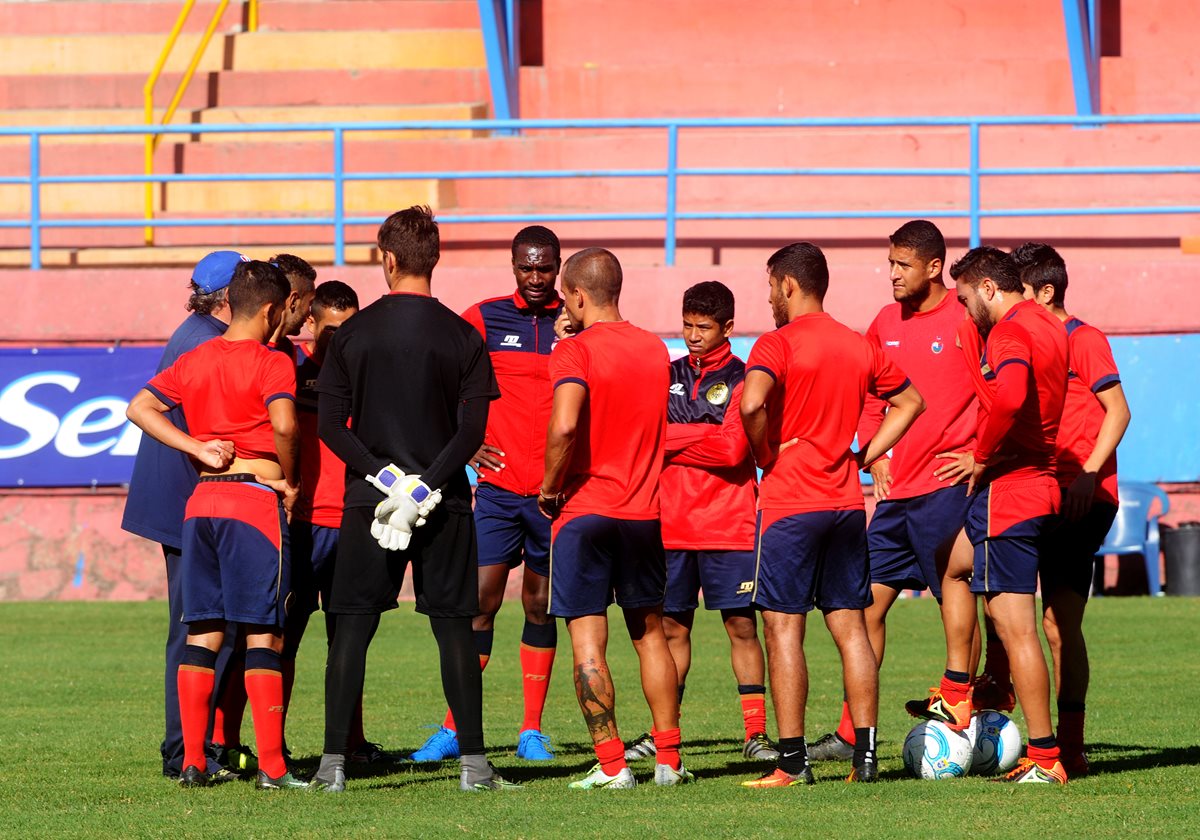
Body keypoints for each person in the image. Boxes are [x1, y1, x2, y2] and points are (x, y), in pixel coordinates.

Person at [310, 206, 516, 793]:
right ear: (435, 259)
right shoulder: (463, 335)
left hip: (368, 504)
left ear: (389, 259)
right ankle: (475, 766)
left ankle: (332, 766)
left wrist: (387, 480)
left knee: (352, 629)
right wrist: (424, 485)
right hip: (444, 502)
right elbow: (471, 433)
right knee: (454, 629)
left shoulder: (353, 333)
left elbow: (331, 426)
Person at [739, 242, 925, 786]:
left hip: (790, 503)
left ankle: (792, 762)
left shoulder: (776, 343)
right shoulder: (857, 343)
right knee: (851, 629)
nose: (769, 298)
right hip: (843, 504)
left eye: (771, 286)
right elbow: (911, 402)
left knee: (783, 628)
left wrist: (765, 454)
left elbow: (751, 403)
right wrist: (863, 456)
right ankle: (865, 758)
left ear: (788, 285)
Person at [125, 260, 306, 790]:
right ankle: (273, 768)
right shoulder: (272, 361)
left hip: (202, 503)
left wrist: (197, 447)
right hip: (253, 503)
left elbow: (139, 408)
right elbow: (285, 424)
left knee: (202, 632)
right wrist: (290, 481)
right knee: (265, 635)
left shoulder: (196, 357)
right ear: (271, 310)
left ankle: (192, 762)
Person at [808, 221, 978, 763]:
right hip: (896, 493)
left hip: (947, 486)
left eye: (903, 265)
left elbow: (996, 390)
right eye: (890, 263)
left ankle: (961, 701)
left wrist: (980, 454)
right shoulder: (884, 322)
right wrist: (875, 452)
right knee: (864, 609)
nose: (893, 274)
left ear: (934, 267)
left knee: (956, 592)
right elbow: (869, 397)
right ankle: (853, 733)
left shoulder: (965, 317)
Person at [411, 226, 563, 763]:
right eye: (526, 267)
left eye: (545, 268)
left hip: (552, 497)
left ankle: (531, 731)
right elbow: (438, 382)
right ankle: (454, 728)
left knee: (540, 606)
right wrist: (465, 443)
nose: (536, 277)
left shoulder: (576, 324)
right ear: (513, 265)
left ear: (559, 267)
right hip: (496, 492)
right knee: (478, 606)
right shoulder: (483, 318)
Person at [539, 247, 686, 790]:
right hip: (643, 512)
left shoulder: (573, 352)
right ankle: (669, 760)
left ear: (577, 295)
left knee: (588, 641)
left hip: (584, 510)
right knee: (650, 635)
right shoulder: (655, 349)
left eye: (566, 296)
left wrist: (549, 487)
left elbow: (565, 425)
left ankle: (612, 765)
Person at [623, 280, 778, 765]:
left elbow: (733, 451)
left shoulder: (743, 377)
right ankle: (663, 732)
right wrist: (700, 434)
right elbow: (644, 436)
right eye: (687, 325)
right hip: (669, 523)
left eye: (704, 327)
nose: (693, 335)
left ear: (727, 327)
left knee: (742, 627)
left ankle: (755, 733)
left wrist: (672, 437)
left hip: (729, 523)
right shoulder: (664, 375)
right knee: (671, 630)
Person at [932, 245, 1070, 784]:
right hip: (1036, 483)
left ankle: (1045, 757)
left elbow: (1010, 397)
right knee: (952, 563)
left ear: (989, 289)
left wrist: (981, 455)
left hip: (1011, 493)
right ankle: (956, 692)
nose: (966, 311)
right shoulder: (1050, 325)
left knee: (1016, 631)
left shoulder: (1010, 331)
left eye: (967, 299)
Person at [121, 250, 246, 783]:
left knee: (210, 624)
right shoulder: (203, 342)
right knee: (198, 626)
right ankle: (183, 750)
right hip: (185, 502)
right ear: (229, 296)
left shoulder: (199, 332)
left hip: (182, 500)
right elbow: (150, 411)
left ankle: (197, 744)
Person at [1013, 243, 1129, 775]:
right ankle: (984, 706)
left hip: (1080, 496)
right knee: (997, 606)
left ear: (1045, 292)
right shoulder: (1024, 343)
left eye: (1020, 292)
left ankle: (1070, 747)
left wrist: (1088, 474)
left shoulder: (1083, 339)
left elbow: (1118, 411)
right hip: (1031, 491)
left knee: (1058, 624)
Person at [278, 280, 386, 761]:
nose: (341, 340)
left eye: (350, 329)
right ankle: (273, 745)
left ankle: (350, 744)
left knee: (349, 642)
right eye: (331, 331)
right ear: (311, 323)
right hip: (302, 526)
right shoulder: (291, 372)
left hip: (354, 524)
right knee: (284, 641)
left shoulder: (369, 380)